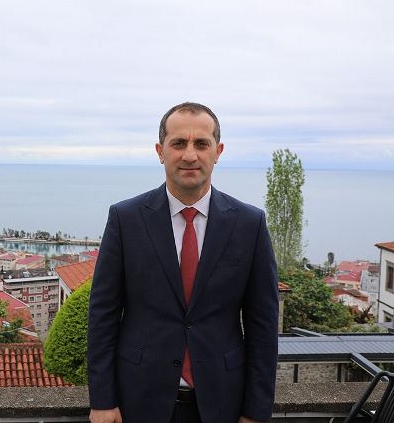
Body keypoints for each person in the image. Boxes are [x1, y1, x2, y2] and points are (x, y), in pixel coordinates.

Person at [87, 102, 278, 423]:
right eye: (178, 143)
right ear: (160, 151)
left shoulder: (250, 224)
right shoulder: (125, 219)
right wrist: (102, 400)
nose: (190, 155)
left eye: (201, 144)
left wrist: (257, 412)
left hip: (224, 404)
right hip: (138, 400)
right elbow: (103, 315)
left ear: (217, 152)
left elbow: (264, 326)